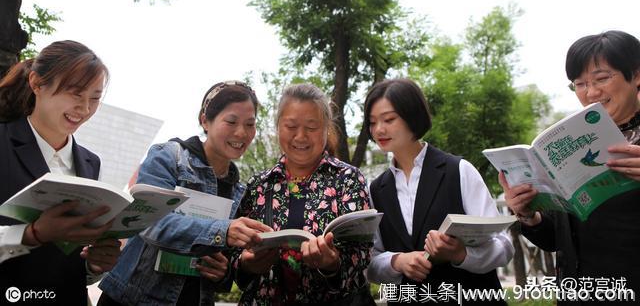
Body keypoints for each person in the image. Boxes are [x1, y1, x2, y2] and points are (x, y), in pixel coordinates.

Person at [98, 80, 272, 305]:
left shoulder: (240, 190)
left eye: (250, 124)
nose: (241, 133)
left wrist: (223, 271)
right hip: (132, 298)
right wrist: (223, 230)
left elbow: (226, 266)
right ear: (204, 120)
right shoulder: (168, 157)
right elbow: (148, 222)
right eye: (231, 121)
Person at [499, 30, 640, 302]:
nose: (591, 93)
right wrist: (528, 214)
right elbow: (559, 238)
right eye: (579, 83)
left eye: (601, 79)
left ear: (635, 75)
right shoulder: (572, 142)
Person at [365, 78, 514, 304]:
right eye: (372, 122)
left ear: (413, 117)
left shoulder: (459, 171)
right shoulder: (376, 189)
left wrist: (460, 254)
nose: (379, 129)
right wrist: (397, 261)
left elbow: (503, 245)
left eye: (389, 119)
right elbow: (370, 260)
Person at [231, 83, 375, 305]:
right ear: (278, 126)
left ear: (326, 127)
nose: (300, 136)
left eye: (311, 127)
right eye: (291, 126)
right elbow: (233, 258)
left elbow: (363, 254)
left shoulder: (348, 180)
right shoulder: (259, 185)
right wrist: (247, 264)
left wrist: (332, 264)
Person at [0, 40, 121, 304]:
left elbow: (70, 260)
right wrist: (32, 234)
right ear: (36, 83)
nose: (85, 108)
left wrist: (94, 265)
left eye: (95, 98)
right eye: (76, 93)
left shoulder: (90, 163)